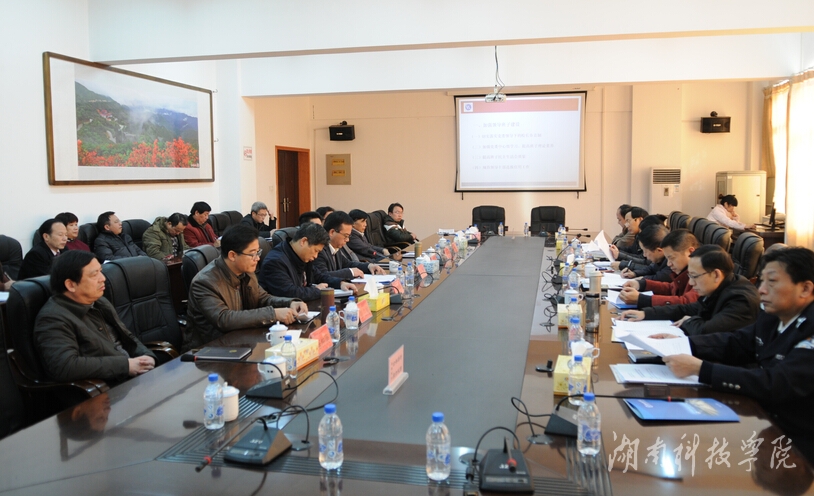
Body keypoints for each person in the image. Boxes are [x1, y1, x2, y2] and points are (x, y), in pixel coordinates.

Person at [657, 247, 814, 463]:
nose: (761, 290)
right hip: (765, 421)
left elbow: (777, 382)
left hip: (800, 441)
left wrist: (702, 369)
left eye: (772, 282)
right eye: (762, 281)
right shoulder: (772, 315)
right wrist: (681, 344)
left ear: (805, 288)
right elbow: (735, 342)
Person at [33, 250, 156, 385]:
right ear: (71, 285)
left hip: (131, 376)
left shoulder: (100, 301)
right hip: (108, 387)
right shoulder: (52, 318)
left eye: (100, 271)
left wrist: (146, 356)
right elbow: (65, 366)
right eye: (94, 274)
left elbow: (126, 336)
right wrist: (126, 366)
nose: (103, 278)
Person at [184, 225, 308, 351]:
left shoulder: (246, 272)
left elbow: (262, 298)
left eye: (258, 252)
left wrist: (290, 303)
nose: (257, 258)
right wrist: (273, 314)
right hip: (208, 351)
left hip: (240, 343)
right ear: (232, 255)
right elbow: (224, 319)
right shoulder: (204, 282)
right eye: (252, 254)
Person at [622, 244, 760, 335]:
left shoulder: (741, 300)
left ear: (716, 275)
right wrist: (645, 313)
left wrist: (690, 321)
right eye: (690, 276)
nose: (691, 283)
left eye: (694, 276)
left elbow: (705, 331)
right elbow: (687, 309)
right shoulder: (717, 287)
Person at [259, 222, 356, 301]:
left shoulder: (301, 256)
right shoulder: (275, 261)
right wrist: (317, 291)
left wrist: (340, 283)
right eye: (315, 251)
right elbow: (289, 293)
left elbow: (319, 276)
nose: (316, 256)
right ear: (303, 241)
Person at [619, 229, 699, 307]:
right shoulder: (685, 271)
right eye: (667, 259)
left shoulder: (701, 273)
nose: (669, 264)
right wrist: (641, 284)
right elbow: (671, 288)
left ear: (690, 252)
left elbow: (686, 302)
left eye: (672, 258)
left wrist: (642, 299)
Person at [312, 211, 385, 286]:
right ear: (332, 232)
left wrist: (368, 266)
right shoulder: (318, 251)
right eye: (345, 236)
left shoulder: (335, 247)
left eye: (349, 236)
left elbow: (347, 264)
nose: (347, 240)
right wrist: (351, 272)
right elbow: (323, 276)